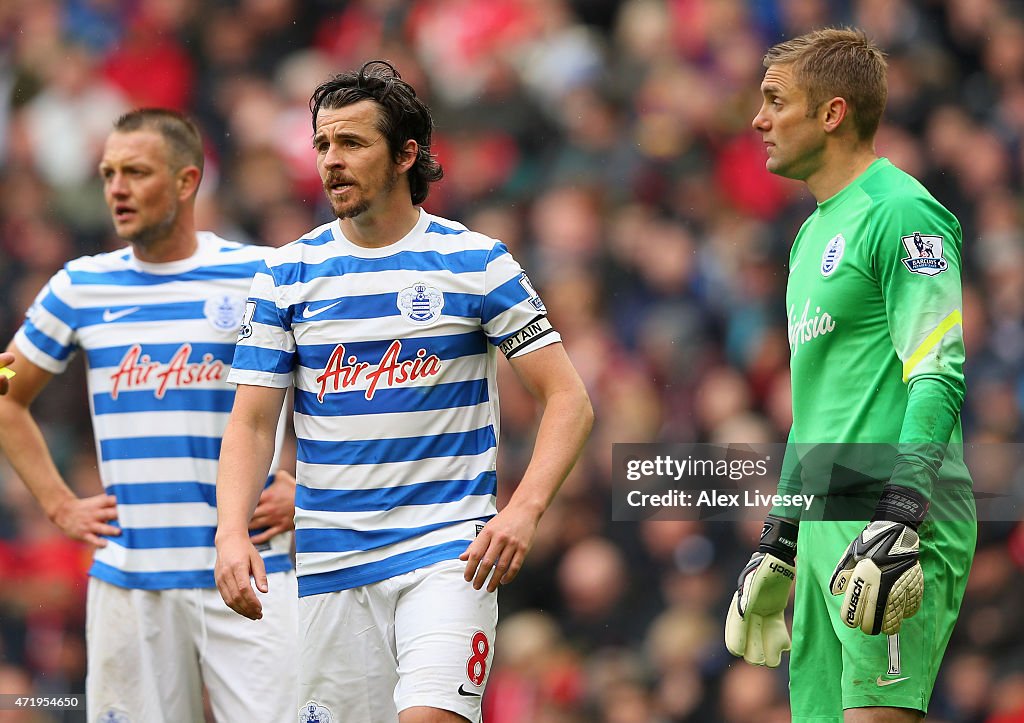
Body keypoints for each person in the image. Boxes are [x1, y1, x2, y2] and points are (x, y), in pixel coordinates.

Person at [214, 60, 593, 723]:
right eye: (324, 144)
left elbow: (569, 399)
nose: (332, 160)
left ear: (406, 154)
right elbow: (250, 424)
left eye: (352, 143)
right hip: (331, 563)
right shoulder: (284, 275)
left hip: (446, 555)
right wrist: (229, 533)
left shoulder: (477, 263)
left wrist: (524, 508)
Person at [0, 108, 299, 722]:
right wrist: (58, 502)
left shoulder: (261, 274)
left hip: (252, 570)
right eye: (109, 173)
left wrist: (310, 484)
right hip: (131, 576)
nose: (117, 188)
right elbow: (4, 387)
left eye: (136, 172)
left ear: (188, 182)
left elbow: (337, 388)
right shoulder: (79, 287)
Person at [724, 28, 976, 722]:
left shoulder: (902, 210)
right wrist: (779, 536)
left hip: (892, 514)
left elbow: (939, 372)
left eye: (776, 100)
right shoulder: (808, 236)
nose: (759, 119)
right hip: (826, 519)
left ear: (833, 113)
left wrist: (900, 514)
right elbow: (816, 411)